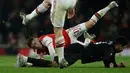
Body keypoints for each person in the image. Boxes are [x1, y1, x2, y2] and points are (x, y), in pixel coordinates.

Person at [20, 1, 118, 68]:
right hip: (71, 46)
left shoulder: (44, 39)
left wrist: (55, 57)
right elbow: (40, 57)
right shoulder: (39, 49)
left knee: (90, 23)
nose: (36, 45)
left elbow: (50, 45)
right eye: (34, 46)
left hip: (69, 33)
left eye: (35, 43)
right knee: (87, 48)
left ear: (37, 39)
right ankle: (87, 40)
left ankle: (109, 6)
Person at [16, 36, 127, 68]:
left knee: (55, 65)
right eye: (122, 47)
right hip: (77, 51)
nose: (122, 49)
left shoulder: (109, 47)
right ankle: (25, 59)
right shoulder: (110, 49)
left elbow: (110, 60)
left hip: (77, 50)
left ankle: (27, 62)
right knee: (55, 64)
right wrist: (114, 67)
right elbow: (108, 62)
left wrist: (116, 66)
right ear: (118, 45)